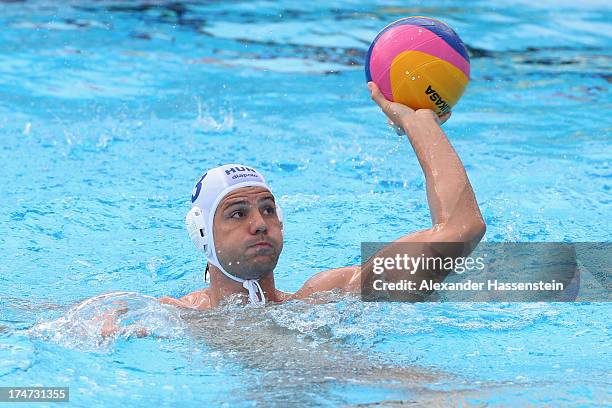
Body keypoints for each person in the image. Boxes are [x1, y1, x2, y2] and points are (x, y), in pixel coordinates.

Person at [155, 82, 486, 310]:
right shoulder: (180, 316)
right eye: (237, 213)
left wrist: (419, 122)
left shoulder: (328, 296)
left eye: (268, 209)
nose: (260, 224)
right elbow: (116, 308)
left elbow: (462, 228)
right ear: (201, 234)